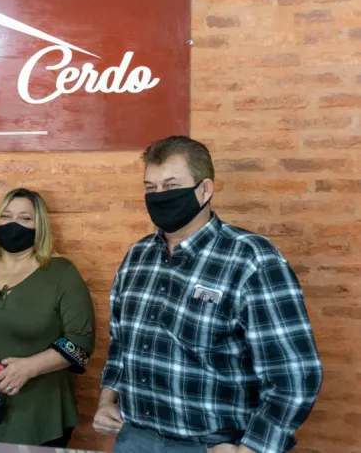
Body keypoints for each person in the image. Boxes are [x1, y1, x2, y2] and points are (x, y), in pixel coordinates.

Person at [93, 136, 323, 453]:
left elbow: (294, 374)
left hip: (212, 444)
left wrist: (252, 449)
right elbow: (121, 344)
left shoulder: (251, 259)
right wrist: (107, 399)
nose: (159, 197)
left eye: (171, 186)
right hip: (134, 438)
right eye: (150, 188)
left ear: (205, 190)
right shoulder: (137, 257)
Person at [0, 188, 96, 447]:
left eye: (25, 218)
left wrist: (29, 368)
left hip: (41, 414)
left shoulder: (61, 273)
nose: (13, 224)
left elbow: (81, 341)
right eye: (6, 216)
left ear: (40, 227)